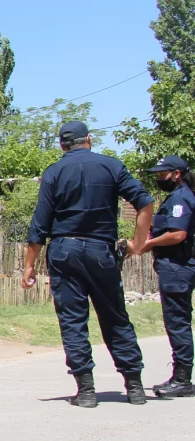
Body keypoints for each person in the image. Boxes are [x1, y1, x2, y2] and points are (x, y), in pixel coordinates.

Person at [22, 121, 154, 408]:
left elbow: (39, 225)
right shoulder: (111, 166)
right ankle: (134, 386)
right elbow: (145, 203)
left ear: (62, 145)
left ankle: (86, 391)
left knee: (73, 319)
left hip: (64, 250)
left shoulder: (54, 172)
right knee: (115, 316)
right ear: (89, 140)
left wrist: (29, 265)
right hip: (100, 251)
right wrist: (138, 243)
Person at [136, 156, 195, 398]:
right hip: (177, 266)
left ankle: (182, 380)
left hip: (178, 266)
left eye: (163, 175)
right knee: (178, 321)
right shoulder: (179, 196)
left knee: (177, 322)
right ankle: (182, 377)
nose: (159, 178)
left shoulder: (181, 197)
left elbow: (177, 234)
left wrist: (147, 244)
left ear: (177, 174)